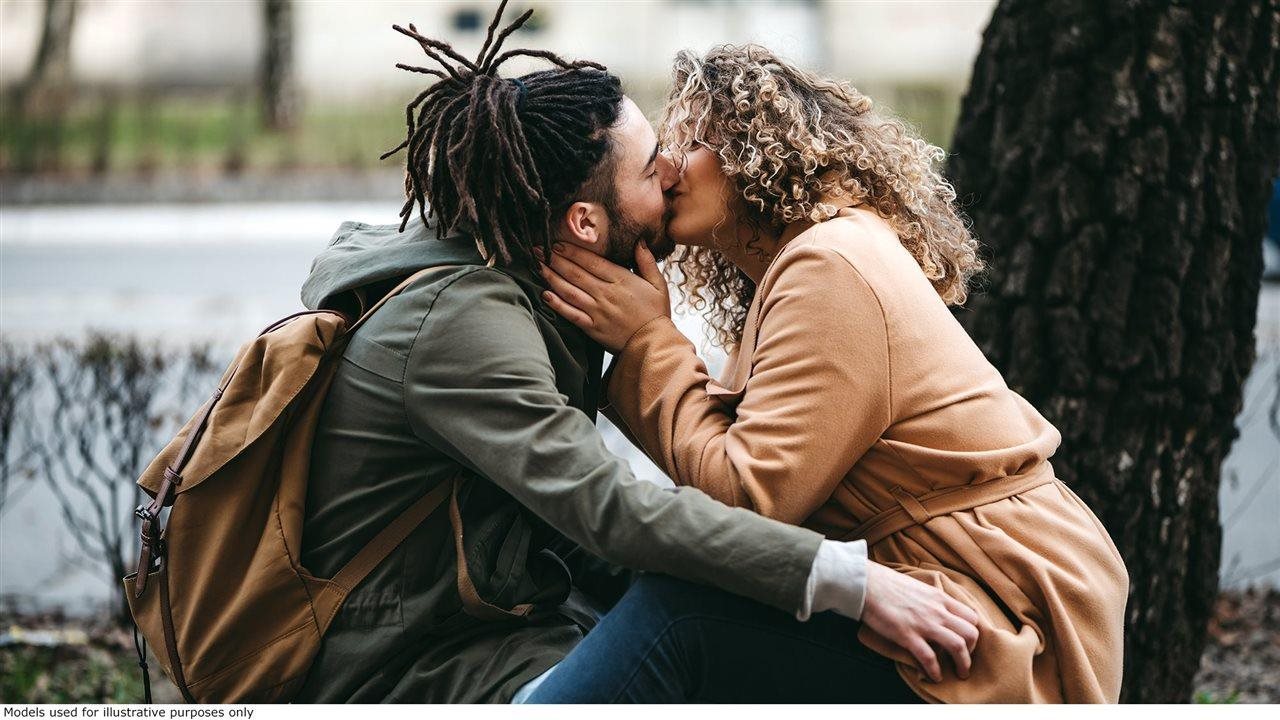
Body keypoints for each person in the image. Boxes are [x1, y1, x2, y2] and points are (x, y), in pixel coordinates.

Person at [293, 5, 972, 704]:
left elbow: (569, 529)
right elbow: (605, 509)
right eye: (651, 168)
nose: (673, 173)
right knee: (683, 618)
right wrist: (844, 580)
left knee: (701, 607)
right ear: (584, 223)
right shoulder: (460, 325)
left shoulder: (520, 287)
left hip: (497, 640)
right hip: (416, 679)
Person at [532, 44, 1130, 703]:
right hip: (947, 591)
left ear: (761, 156)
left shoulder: (831, 265)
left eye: (697, 141)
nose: (670, 169)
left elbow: (748, 500)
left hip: (994, 608)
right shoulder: (803, 265)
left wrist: (648, 341)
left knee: (678, 615)